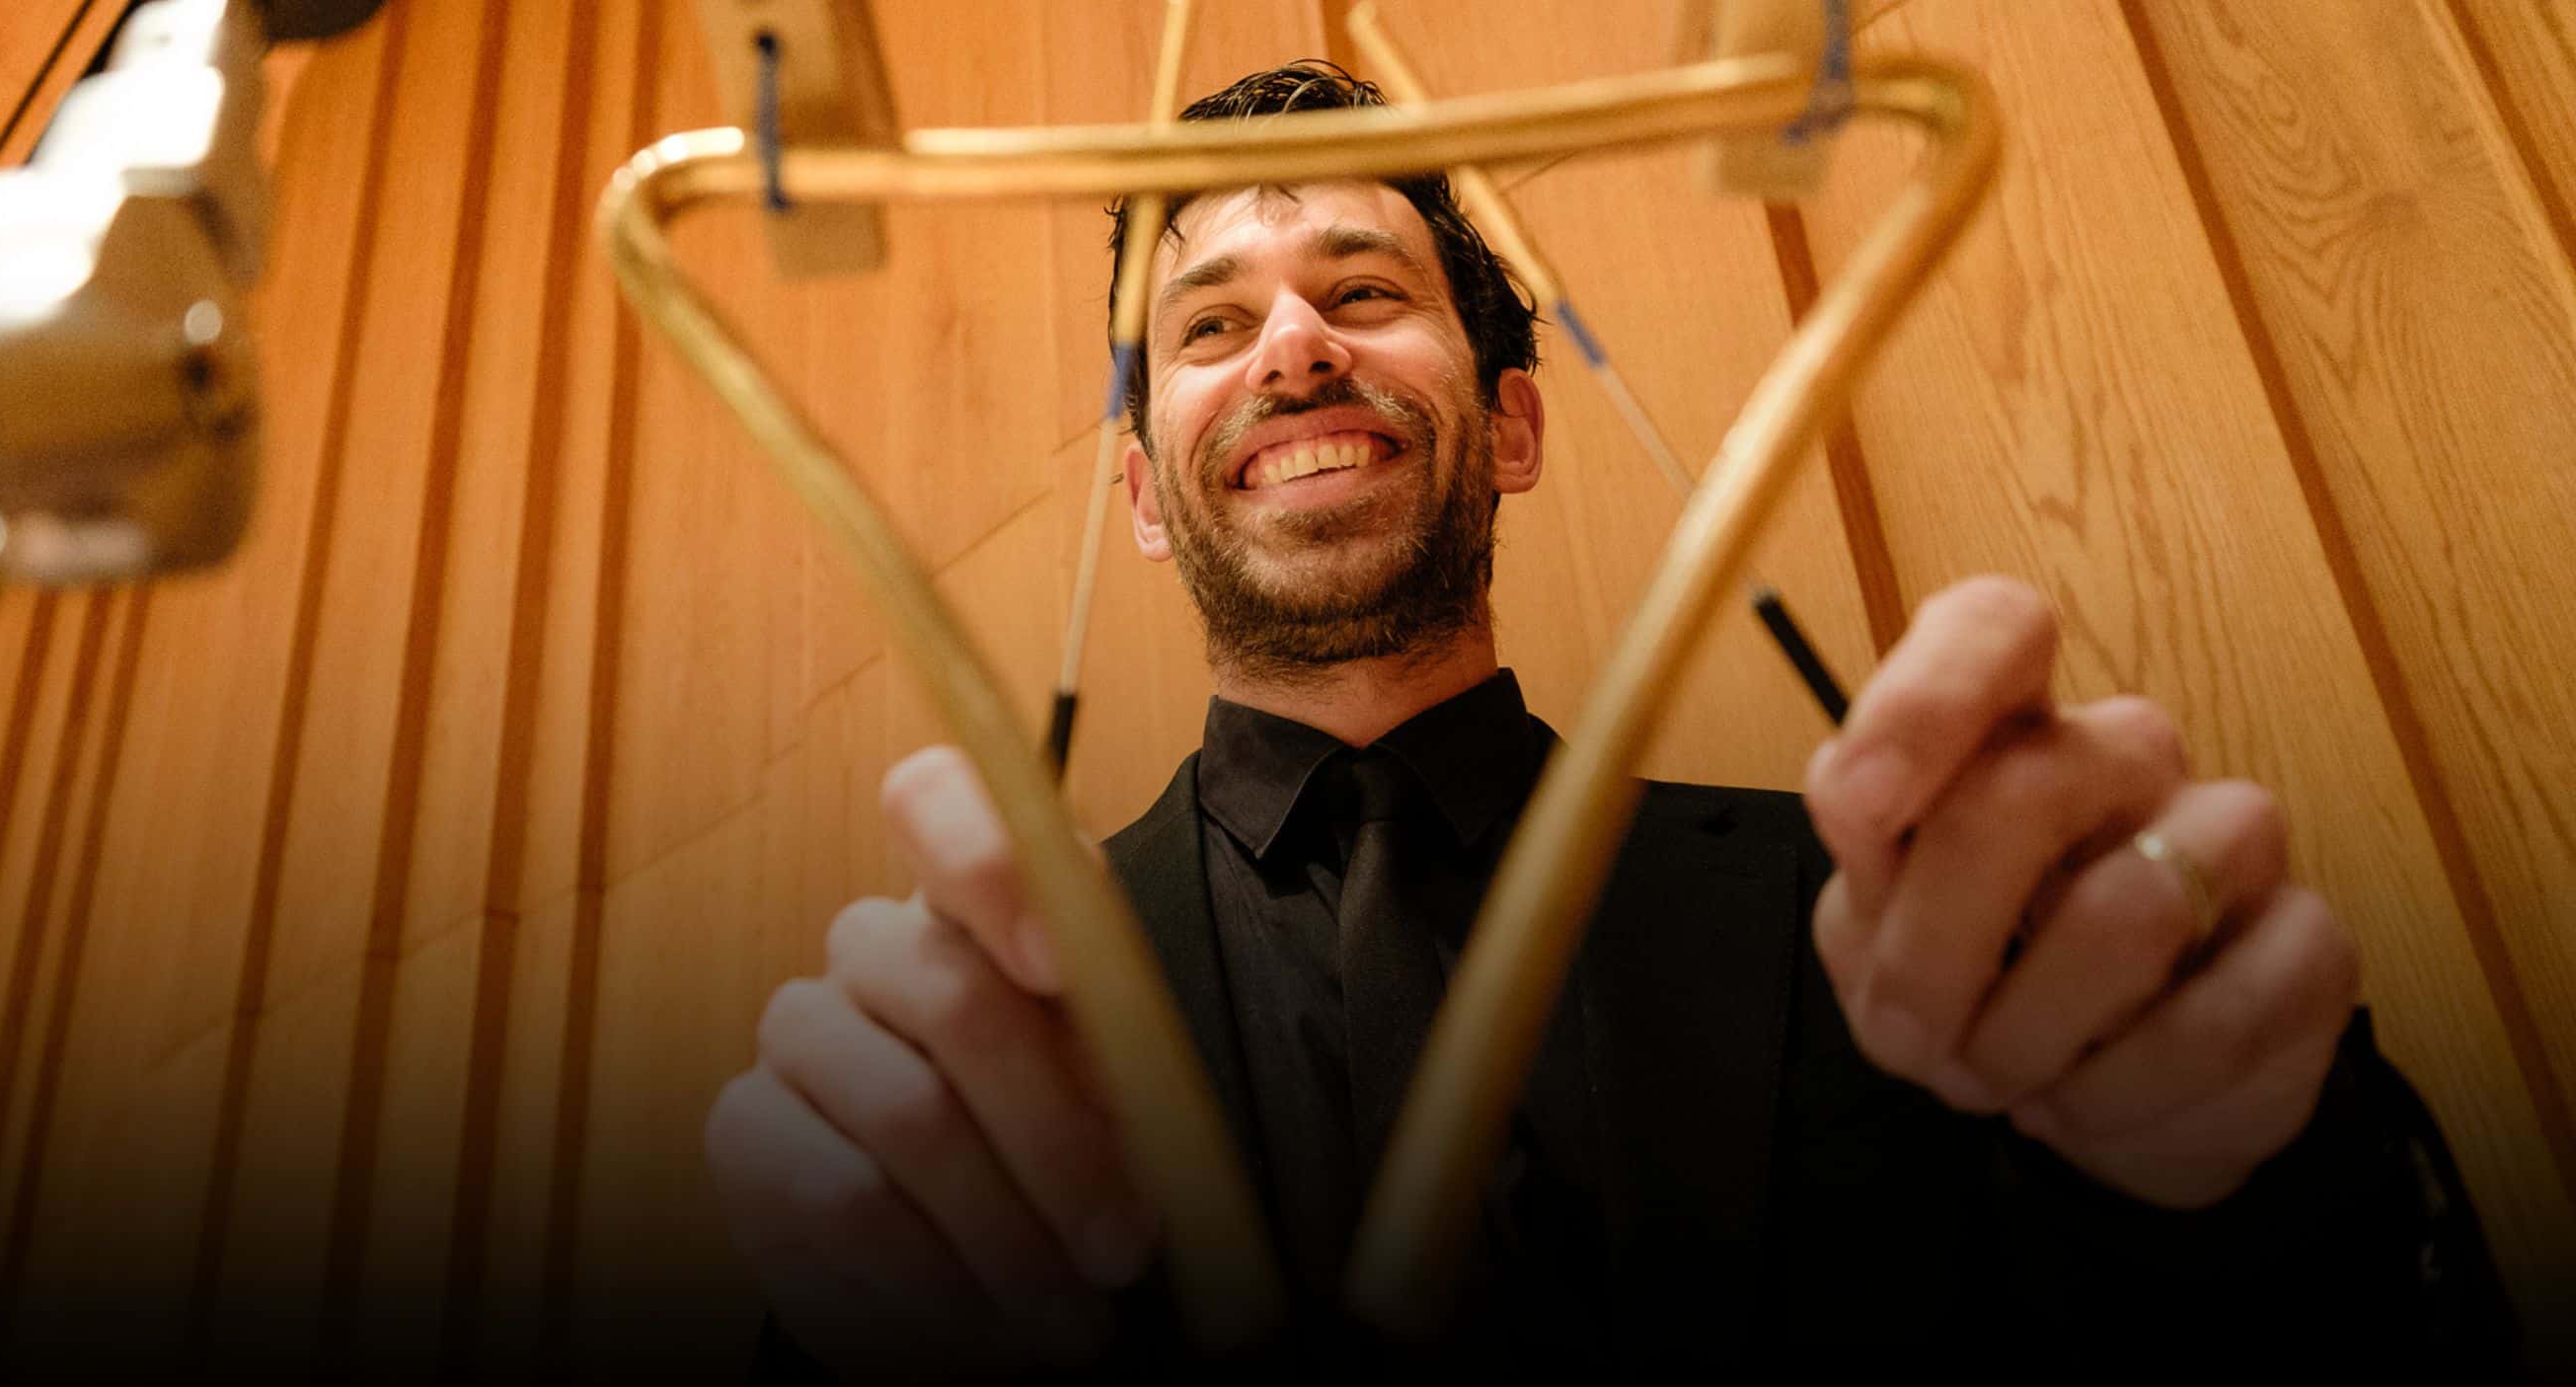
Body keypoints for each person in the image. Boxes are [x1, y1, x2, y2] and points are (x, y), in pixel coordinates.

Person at [705, 63, 2514, 1378]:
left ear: (1511, 427)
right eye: (1209, 326)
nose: (1290, 351)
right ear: (1148, 496)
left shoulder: (1910, 914)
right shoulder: (981, 1058)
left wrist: (2254, 1159)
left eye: (1361, 292)